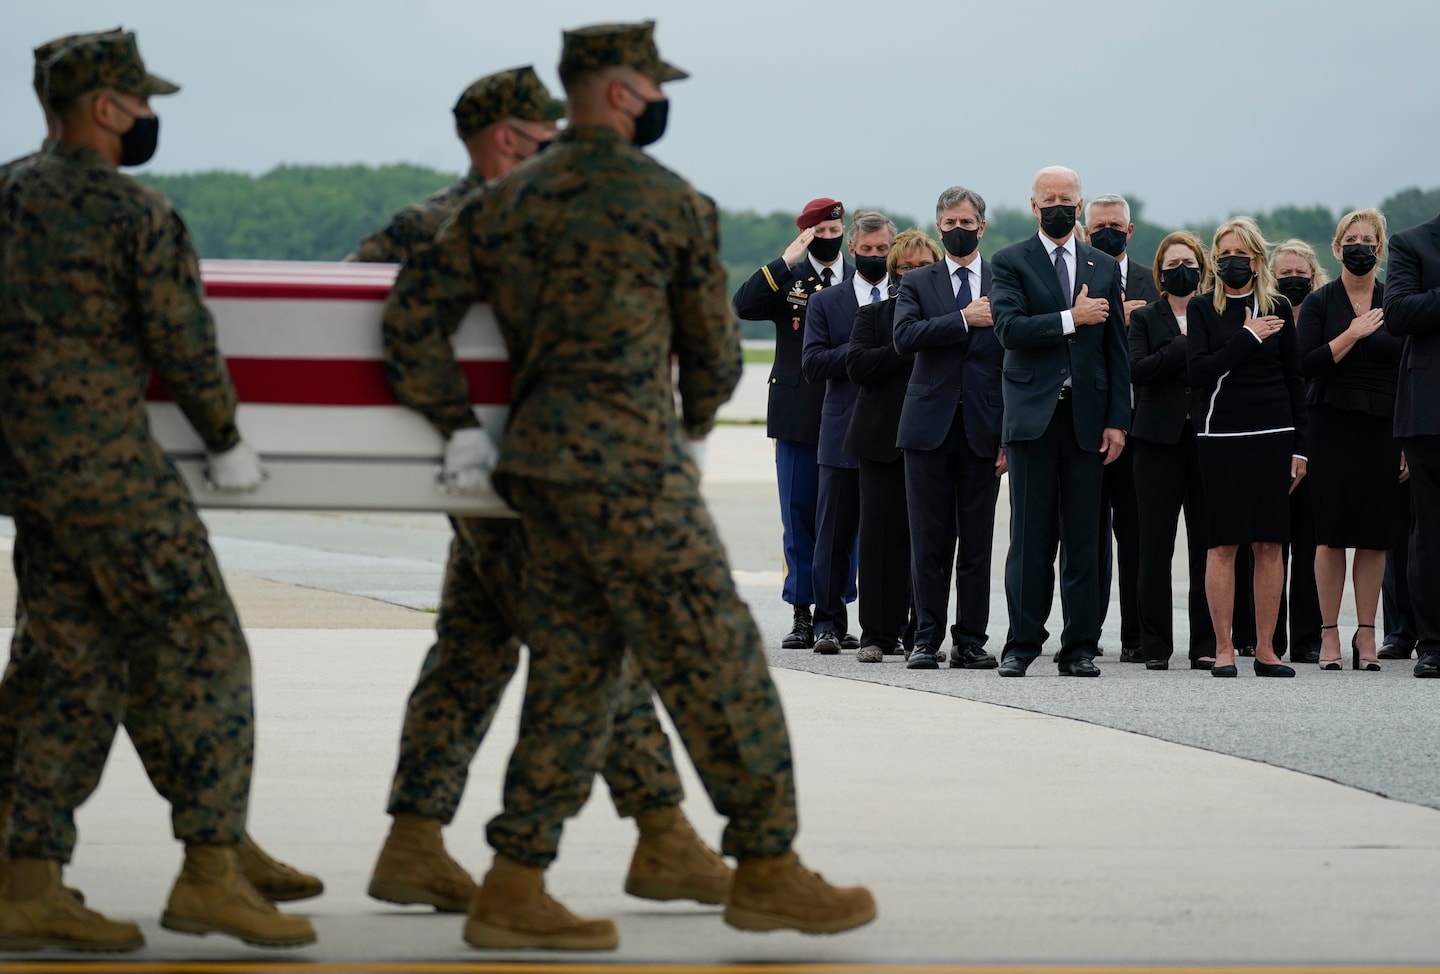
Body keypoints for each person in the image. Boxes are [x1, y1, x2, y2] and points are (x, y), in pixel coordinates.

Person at [381, 20, 875, 950]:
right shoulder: (669, 201)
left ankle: (515, 881)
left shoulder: (501, 205)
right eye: (653, 88)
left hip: (535, 475)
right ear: (619, 93)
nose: (660, 103)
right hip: (637, 479)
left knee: (578, 669)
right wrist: (688, 434)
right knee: (721, 663)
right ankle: (768, 865)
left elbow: (409, 317)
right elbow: (714, 355)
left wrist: (457, 428)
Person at [358, 67, 729, 917]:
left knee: (471, 651)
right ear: (507, 139)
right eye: (545, 135)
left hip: (495, 485)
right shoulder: (474, 219)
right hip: (527, 486)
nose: (561, 146)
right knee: (593, 650)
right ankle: (663, 836)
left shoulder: (442, 220)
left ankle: (413, 840)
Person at [0, 30, 315, 949]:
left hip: (28, 480)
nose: (147, 119)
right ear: (104, 108)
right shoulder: (132, 210)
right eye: (140, 104)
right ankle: (211, 871)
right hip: (113, 477)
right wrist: (225, 440)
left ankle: (27, 882)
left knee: (70, 669)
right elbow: (182, 340)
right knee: (206, 655)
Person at [989, 166, 1130, 677]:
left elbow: (1116, 351)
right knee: (1030, 539)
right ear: (1033, 206)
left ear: (1079, 203)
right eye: (1048, 199)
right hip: (1033, 420)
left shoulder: (1102, 265)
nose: (1058, 206)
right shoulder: (1010, 261)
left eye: (1066, 198)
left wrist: (1117, 420)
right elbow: (1009, 329)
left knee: (1085, 540)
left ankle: (1080, 647)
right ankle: (1022, 644)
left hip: (1087, 420)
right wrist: (1073, 318)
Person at [1187, 217, 1306, 679]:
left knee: (1270, 544)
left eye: (1240, 254)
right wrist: (1248, 336)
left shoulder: (1278, 306)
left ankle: (1266, 650)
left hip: (1274, 436)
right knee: (1223, 544)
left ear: (1257, 261)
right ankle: (1223, 648)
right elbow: (1199, 372)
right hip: (1220, 437)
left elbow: (1295, 379)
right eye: (1224, 255)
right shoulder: (1202, 308)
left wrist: (1301, 448)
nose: (1231, 262)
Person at [893, 186, 1006, 671]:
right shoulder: (920, 281)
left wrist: (1008, 435)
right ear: (939, 227)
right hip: (927, 428)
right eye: (950, 223)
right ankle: (925, 638)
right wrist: (962, 318)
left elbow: (1016, 357)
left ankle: (971, 640)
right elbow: (904, 337)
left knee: (976, 544)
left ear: (982, 226)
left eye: (966, 222)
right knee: (929, 542)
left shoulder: (1004, 279)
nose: (958, 230)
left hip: (984, 428)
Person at [734, 199, 852, 650]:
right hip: (797, 412)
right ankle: (802, 613)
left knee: (845, 520)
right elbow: (744, 304)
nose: (829, 239)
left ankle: (834, 613)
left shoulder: (859, 276)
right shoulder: (791, 279)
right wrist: (786, 261)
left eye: (835, 230)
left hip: (849, 410)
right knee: (798, 515)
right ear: (805, 235)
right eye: (819, 232)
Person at [1298, 210, 1403, 671]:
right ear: (1337, 248)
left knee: (1374, 536)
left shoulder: (1394, 300)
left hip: (1382, 426)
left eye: (1369, 239)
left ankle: (1366, 633)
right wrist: (1352, 334)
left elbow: (1405, 366)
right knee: (1331, 535)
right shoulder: (1320, 302)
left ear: (1380, 248)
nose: (1361, 247)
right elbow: (1307, 363)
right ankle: (1328, 634)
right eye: (1352, 239)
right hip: (1330, 424)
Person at [801, 210, 895, 654]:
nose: (874, 256)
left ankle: (890, 626)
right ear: (852, 249)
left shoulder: (907, 296)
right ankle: (828, 623)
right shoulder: (825, 302)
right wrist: (862, 352)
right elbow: (812, 363)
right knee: (834, 535)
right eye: (867, 249)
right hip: (841, 430)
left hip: (893, 431)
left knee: (890, 537)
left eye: (882, 249)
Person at [843, 228, 936, 662]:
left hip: (933, 439)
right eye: (905, 267)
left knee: (928, 540)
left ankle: (922, 634)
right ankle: (876, 635)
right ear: (893, 272)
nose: (913, 274)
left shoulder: (952, 317)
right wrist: (910, 343)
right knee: (879, 539)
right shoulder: (874, 315)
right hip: (880, 440)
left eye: (923, 266)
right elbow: (858, 365)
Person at [1128, 231, 1215, 670]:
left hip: (1206, 440)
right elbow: (1138, 370)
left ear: (1202, 268)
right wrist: (1182, 347)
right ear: (1160, 273)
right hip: (1156, 442)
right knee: (1154, 546)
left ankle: (1205, 644)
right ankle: (1155, 645)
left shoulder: (1214, 312)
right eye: (1172, 265)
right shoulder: (1145, 317)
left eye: (1189, 264)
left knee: (1207, 546)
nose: (1181, 271)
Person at [1084, 194, 1158, 662]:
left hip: (1140, 425)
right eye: (1098, 227)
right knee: (1087, 536)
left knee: (1135, 535)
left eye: (1115, 225)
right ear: (1085, 232)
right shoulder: (1077, 278)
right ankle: (1084, 633)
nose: (1107, 233)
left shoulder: (1154, 282)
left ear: (1129, 231)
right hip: (1090, 424)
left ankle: (1136, 635)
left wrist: (1139, 320)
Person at [1382, 207, 1440, 679]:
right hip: (1429, 415)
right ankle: (1433, 643)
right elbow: (1398, 312)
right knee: (1431, 533)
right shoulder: (1411, 243)